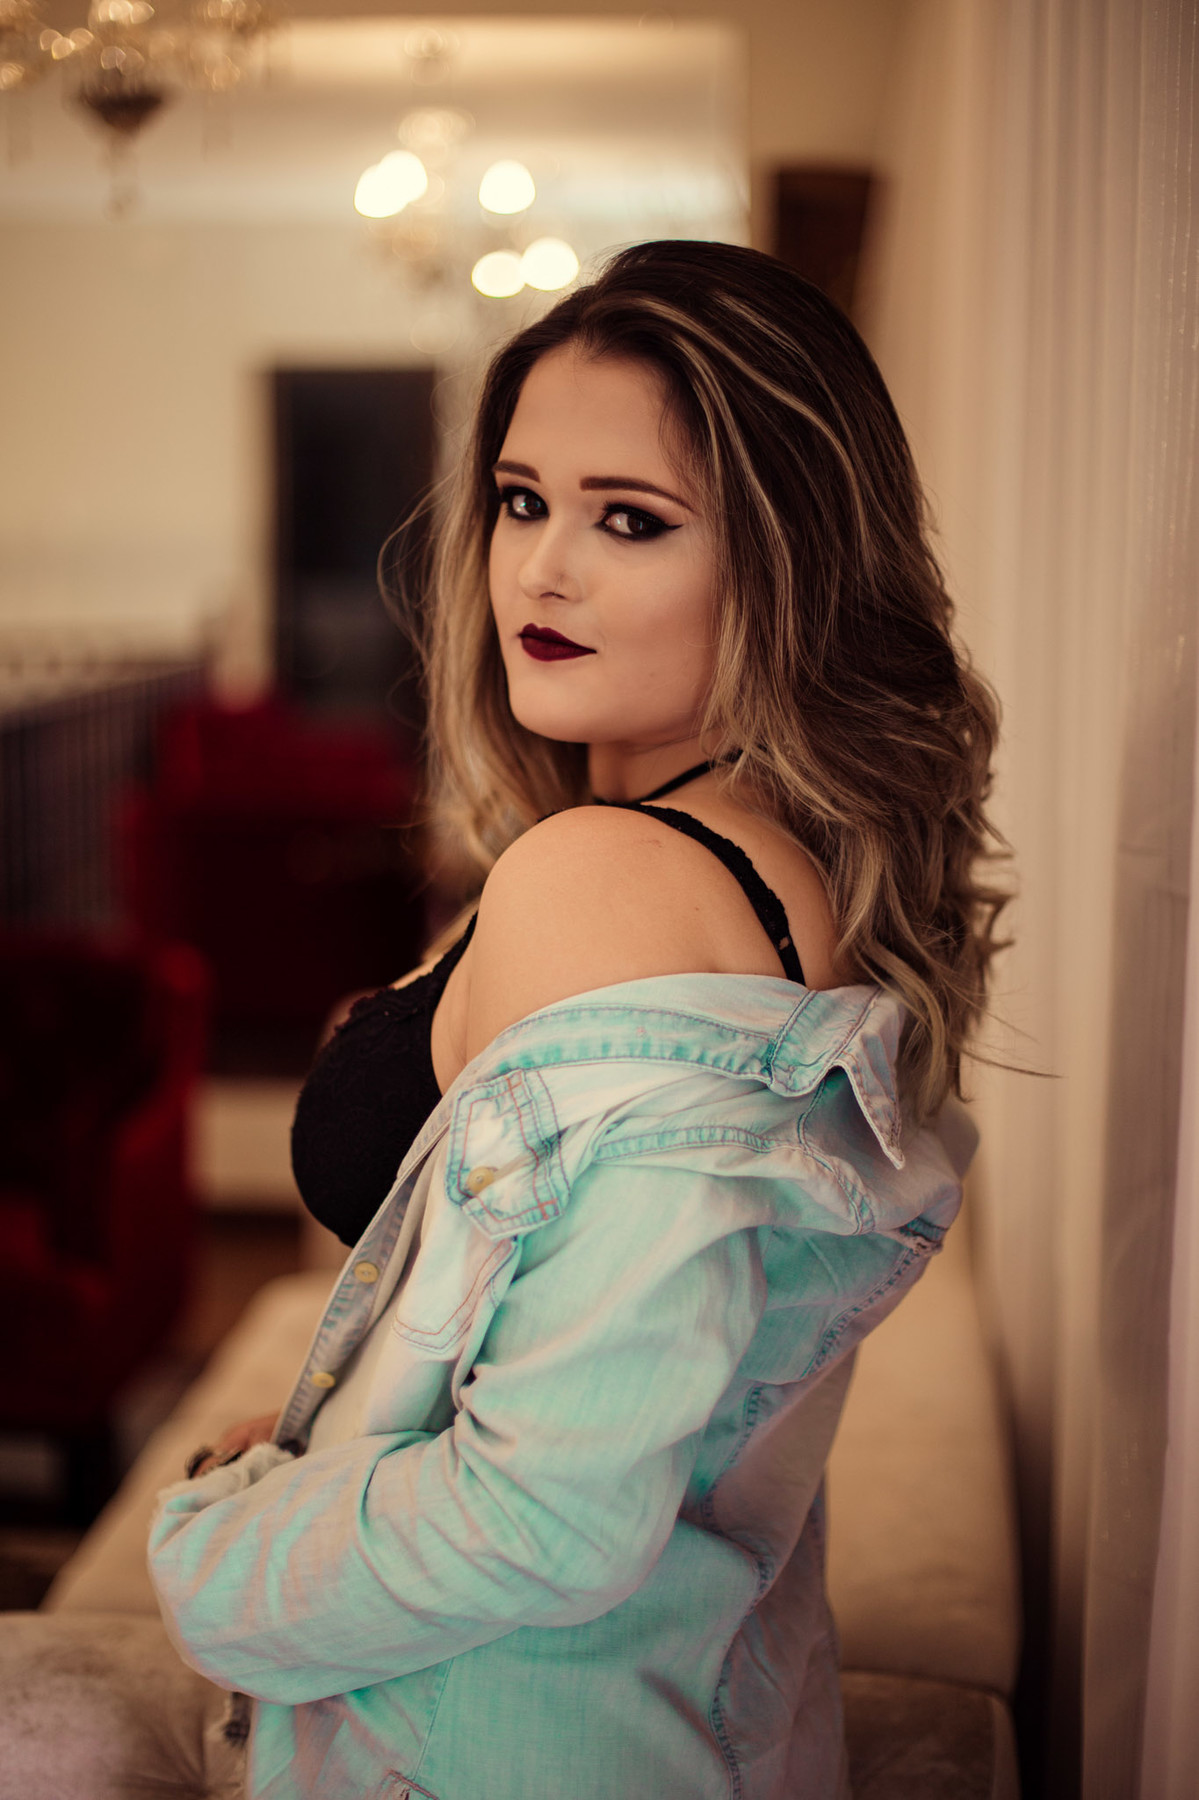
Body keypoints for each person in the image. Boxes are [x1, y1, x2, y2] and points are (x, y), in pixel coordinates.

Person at [149, 239, 1006, 1800]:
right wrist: (318, 1441)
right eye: (524, 499)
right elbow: (601, 1381)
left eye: (633, 520)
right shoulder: (767, 863)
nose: (541, 570)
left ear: (789, 568)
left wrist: (211, 1555)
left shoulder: (612, 882)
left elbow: (549, 1516)